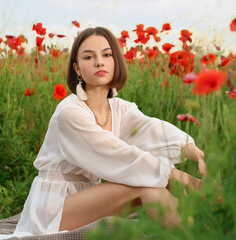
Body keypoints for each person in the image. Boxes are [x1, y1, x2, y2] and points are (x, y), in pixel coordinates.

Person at [14, 27, 206, 235]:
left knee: (149, 181)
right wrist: (177, 176)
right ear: (77, 69)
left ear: (115, 62)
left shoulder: (120, 108)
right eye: (89, 57)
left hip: (88, 197)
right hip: (53, 205)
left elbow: (152, 129)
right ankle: (199, 233)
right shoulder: (69, 112)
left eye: (106, 55)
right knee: (144, 184)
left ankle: (206, 227)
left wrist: (195, 152)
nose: (99, 62)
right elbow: (118, 155)